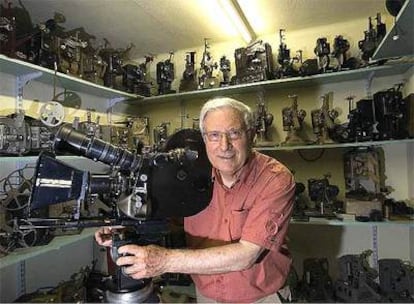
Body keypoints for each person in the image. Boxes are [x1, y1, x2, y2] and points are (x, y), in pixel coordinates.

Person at [95, 97, 296, 303]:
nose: (224, 145)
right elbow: (170, 225)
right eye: (214, 135)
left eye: (234, 133)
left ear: (251, 135)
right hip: (207, 295)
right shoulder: (189, 176)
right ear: (204, 140)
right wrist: (128, 231)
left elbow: (247, 255)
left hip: (261, 297)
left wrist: (164, 261)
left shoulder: (275, 178)